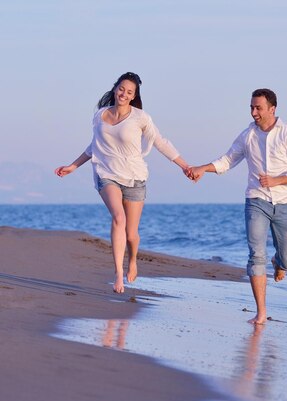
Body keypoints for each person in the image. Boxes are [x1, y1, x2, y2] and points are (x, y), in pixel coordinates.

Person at [55, 72, 192, 293]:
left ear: (134, 96)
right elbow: (94, 146)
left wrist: (184, 166)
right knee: (118, 217)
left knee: (131, 234)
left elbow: (160, 142)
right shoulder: (100, 115)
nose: (124, 94)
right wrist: (73, 166)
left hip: (135, 177)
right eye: (121, 89)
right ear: (115, 88)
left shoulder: (140, 118)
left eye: (129, 92)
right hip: (106, 174)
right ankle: (118, 272)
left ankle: (133, 260)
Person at [189, 88, 287, 324]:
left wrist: (276, 180)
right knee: (256, 255)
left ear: (272, 109)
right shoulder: (248, 136)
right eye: (252, 107)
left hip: (285, 204)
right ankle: (261, 313)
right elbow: (227, 160)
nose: (254, 112)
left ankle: (279, 263)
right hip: (256, 201)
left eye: (258, 108)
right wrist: (203, 168)